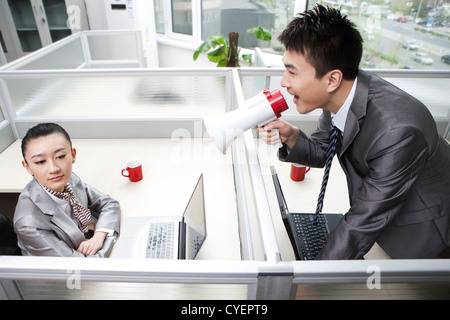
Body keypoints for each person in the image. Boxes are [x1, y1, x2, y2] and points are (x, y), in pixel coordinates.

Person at [257, 5, 450, 259]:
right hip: (381, 214)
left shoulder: (398, 132)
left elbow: (362, 221)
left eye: (292, 72)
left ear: (332, 80)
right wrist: (292, 136)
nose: (284, 81)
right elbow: (326, 148)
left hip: (426, 236)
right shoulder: (342, 95)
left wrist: (312, 279)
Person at [14, 123, 120, 257]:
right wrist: (108, 237)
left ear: (73, 155)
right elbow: (81, 266)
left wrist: (99, 236)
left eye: (60, 157)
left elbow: (109, 204)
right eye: (40, 162)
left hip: (85, 243)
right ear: (28, 167)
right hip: (64, 275)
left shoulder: (66, 178)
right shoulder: (28, 223)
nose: (54, 169)